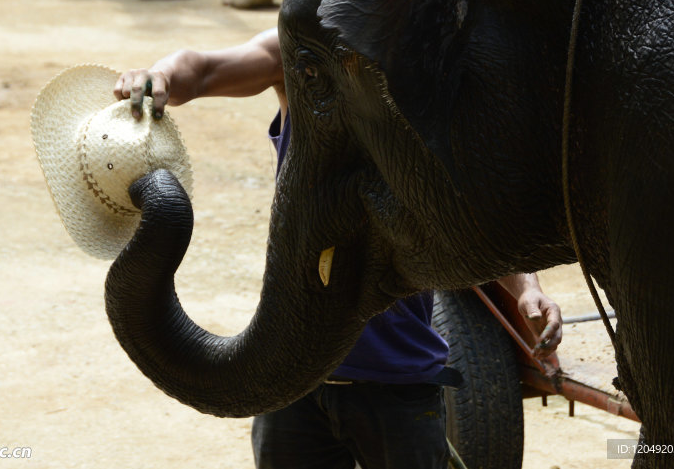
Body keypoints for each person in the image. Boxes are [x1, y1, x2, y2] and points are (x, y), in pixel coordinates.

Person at [114, 28, 563, 469]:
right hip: (290, 376)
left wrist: (527, 288)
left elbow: (470, 214)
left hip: (396, 382)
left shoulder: (425, 78)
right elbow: (204, 69)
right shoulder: (303, 56)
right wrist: (158, 77)